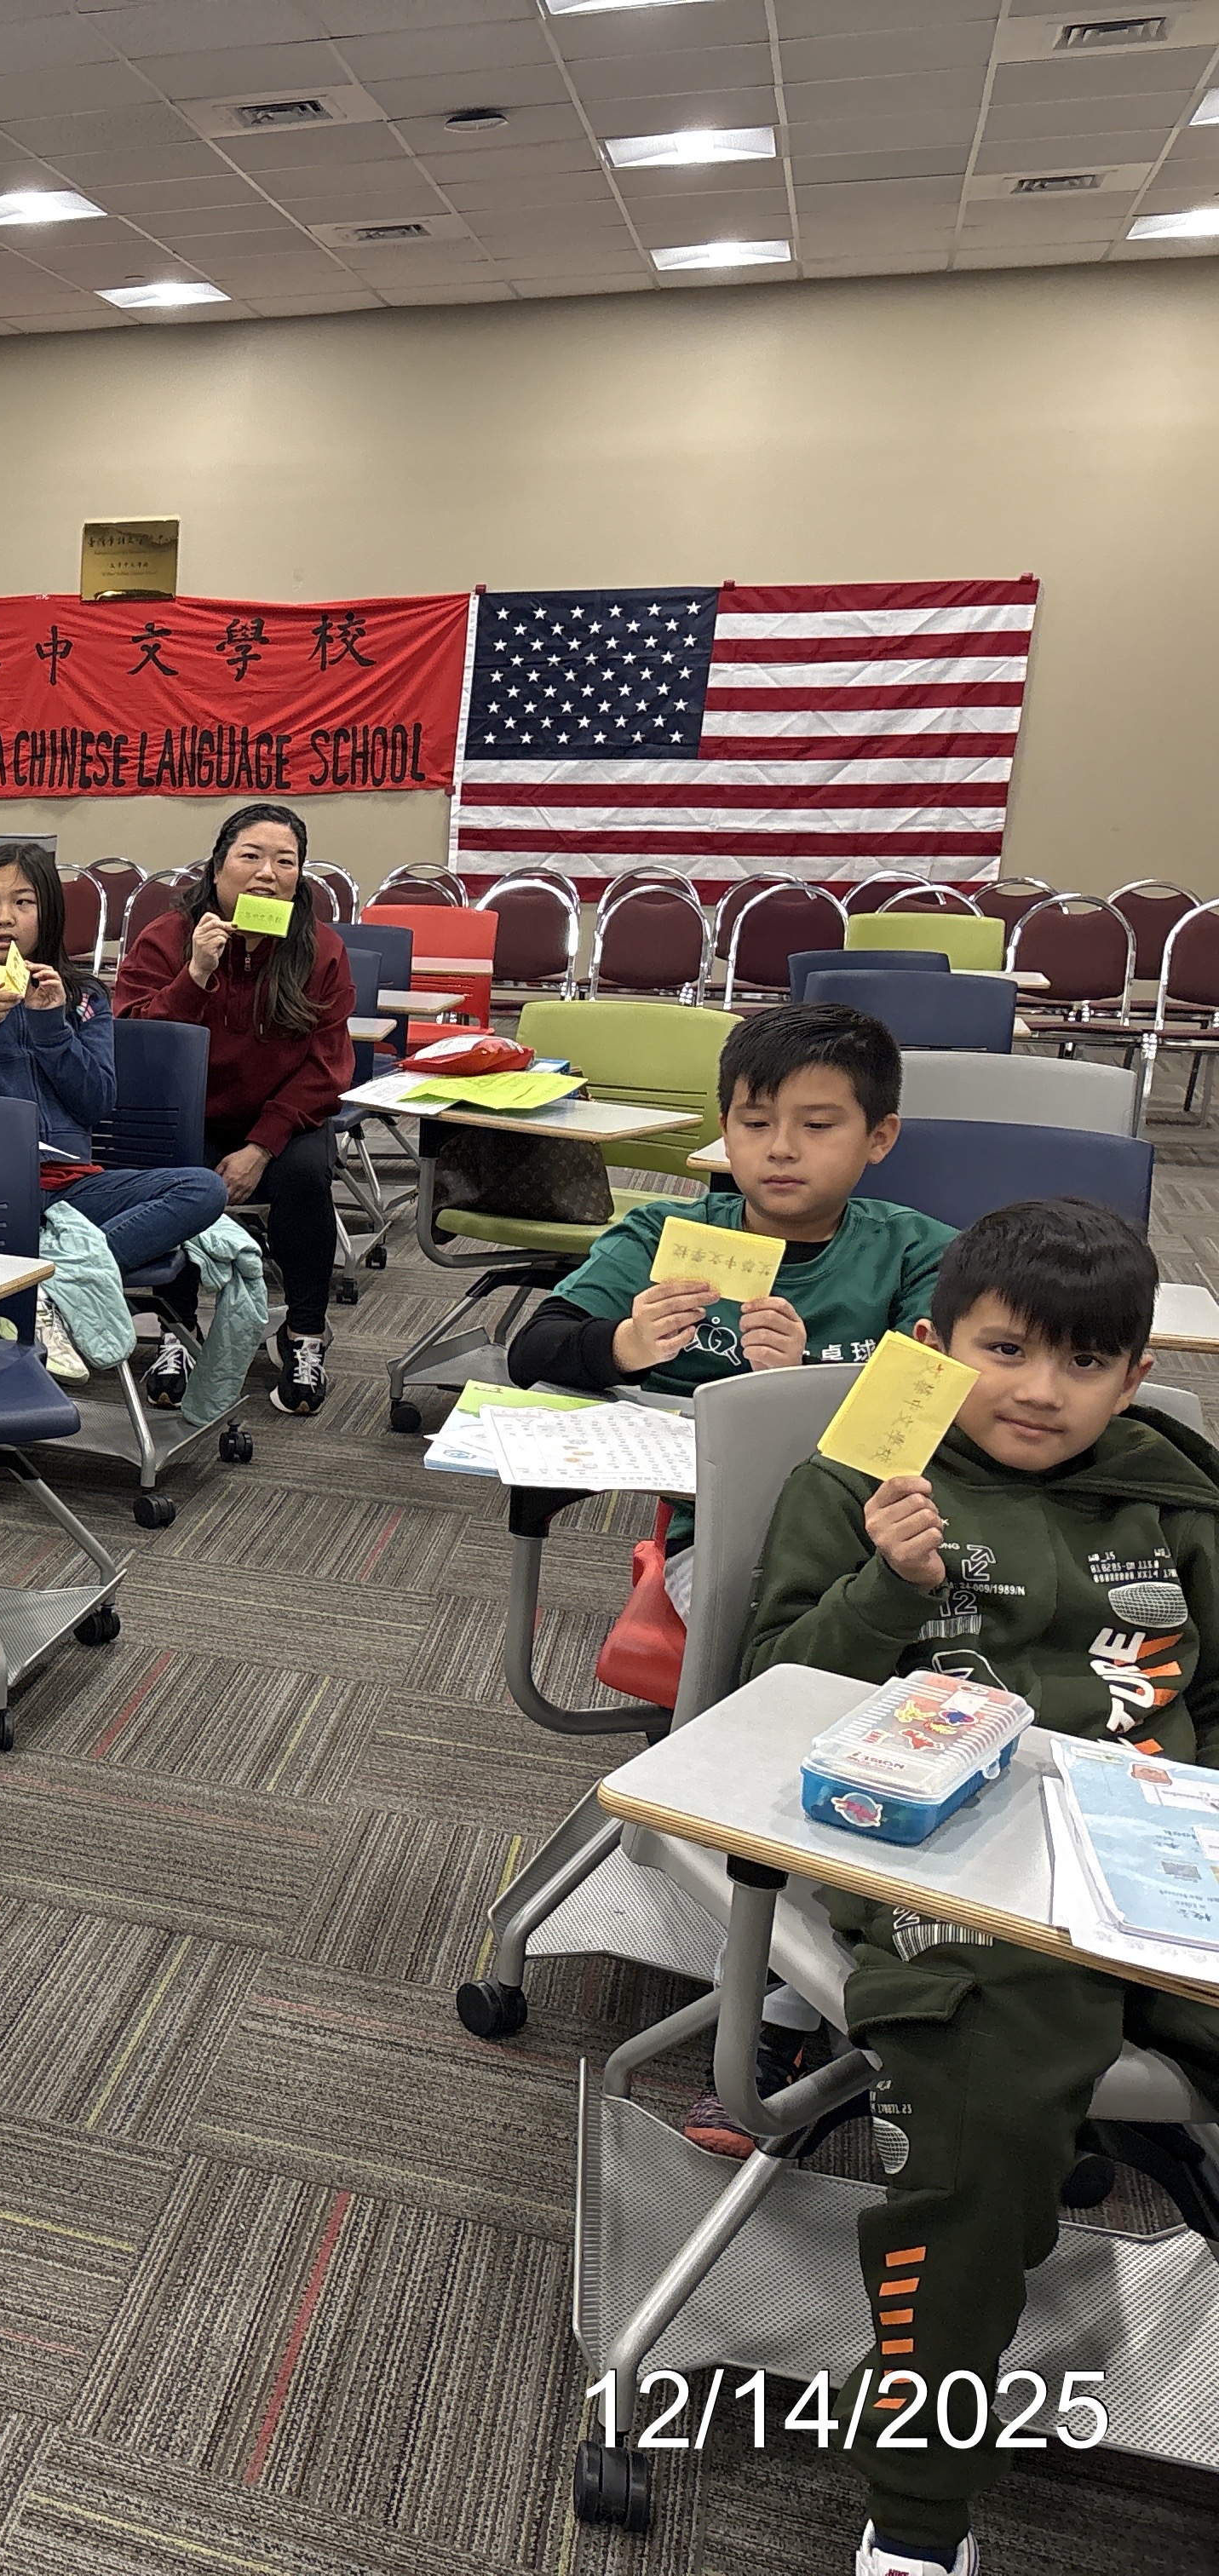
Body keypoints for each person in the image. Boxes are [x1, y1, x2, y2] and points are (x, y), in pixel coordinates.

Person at [738, 1199, 1219, 2576]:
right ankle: (916, 2512)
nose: (1040, 1389)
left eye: (1084, 1361)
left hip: (1156, 1853)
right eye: (1004, 1349)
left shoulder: (1177, 1498)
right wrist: (891, 1587)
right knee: (986, 2118)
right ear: (932, 1343)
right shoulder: (866, 1478)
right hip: (942, 1857)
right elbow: (763, 1698)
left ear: (1133, 1374)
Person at [511, 1003, 954, 1586]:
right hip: (722, 1531)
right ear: (725, 1130)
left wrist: (798, 1380)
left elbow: (923, 1416)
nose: (782, 1148)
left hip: (878, 1523)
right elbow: (533, 1351)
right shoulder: (663, 1235)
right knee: (756, 1619)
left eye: (818, 1126)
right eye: (755, 1124)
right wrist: (629, 1344)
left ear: (879, 1137)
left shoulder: (921, 1252)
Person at [0, 844, 226, 1380]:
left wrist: (51, 1028)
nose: (4, 918)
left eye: (23, 903)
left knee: (203, 1189)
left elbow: (96, 1103)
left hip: (64, 1185)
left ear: (49, 913)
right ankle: (19, 1306)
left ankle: (49, 1283)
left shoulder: (82, 996)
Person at [112, 802, 355, 1417]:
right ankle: (176, 1330)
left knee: (307, 1176)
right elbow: (135, 1046)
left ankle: (305, 1334)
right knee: (175, 1180)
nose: (267, 873)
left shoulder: (320, 949)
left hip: (282, 1120)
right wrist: (195, 973)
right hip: (187, 1115)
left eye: (285, 862)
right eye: (251, 856)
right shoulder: (166, 938)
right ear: (218, 866)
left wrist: (262, 1145)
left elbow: (327, 1067)